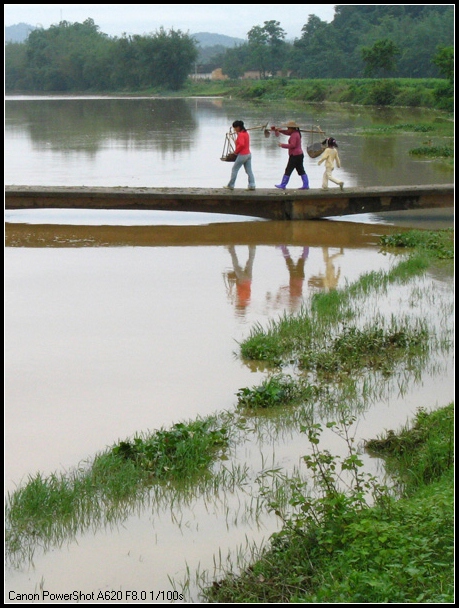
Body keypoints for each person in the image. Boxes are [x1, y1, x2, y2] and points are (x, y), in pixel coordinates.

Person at [271, 121, 309, 190]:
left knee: (288, 170)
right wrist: (280, 130)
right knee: (301, 170)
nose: (287, 129)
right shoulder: (296, 133)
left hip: (295, 156)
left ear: (292, 128)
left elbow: (292, 145)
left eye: (288, 128)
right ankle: (306, 185)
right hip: (299, 155)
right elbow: (287, 132)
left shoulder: (294, 135)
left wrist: (282, 145)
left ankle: (283, 185)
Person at [223, 120, 256, 191]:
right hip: (248, 154)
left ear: (238, 127)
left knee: (234, 169)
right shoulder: (245, 133)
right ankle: (252, 185)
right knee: (249, 171)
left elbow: (241, 144)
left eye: (235, 128)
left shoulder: (241, 134)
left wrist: (235, 152)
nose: (234, 129)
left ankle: (231, 185)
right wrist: (237, 134)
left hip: (242, 155)